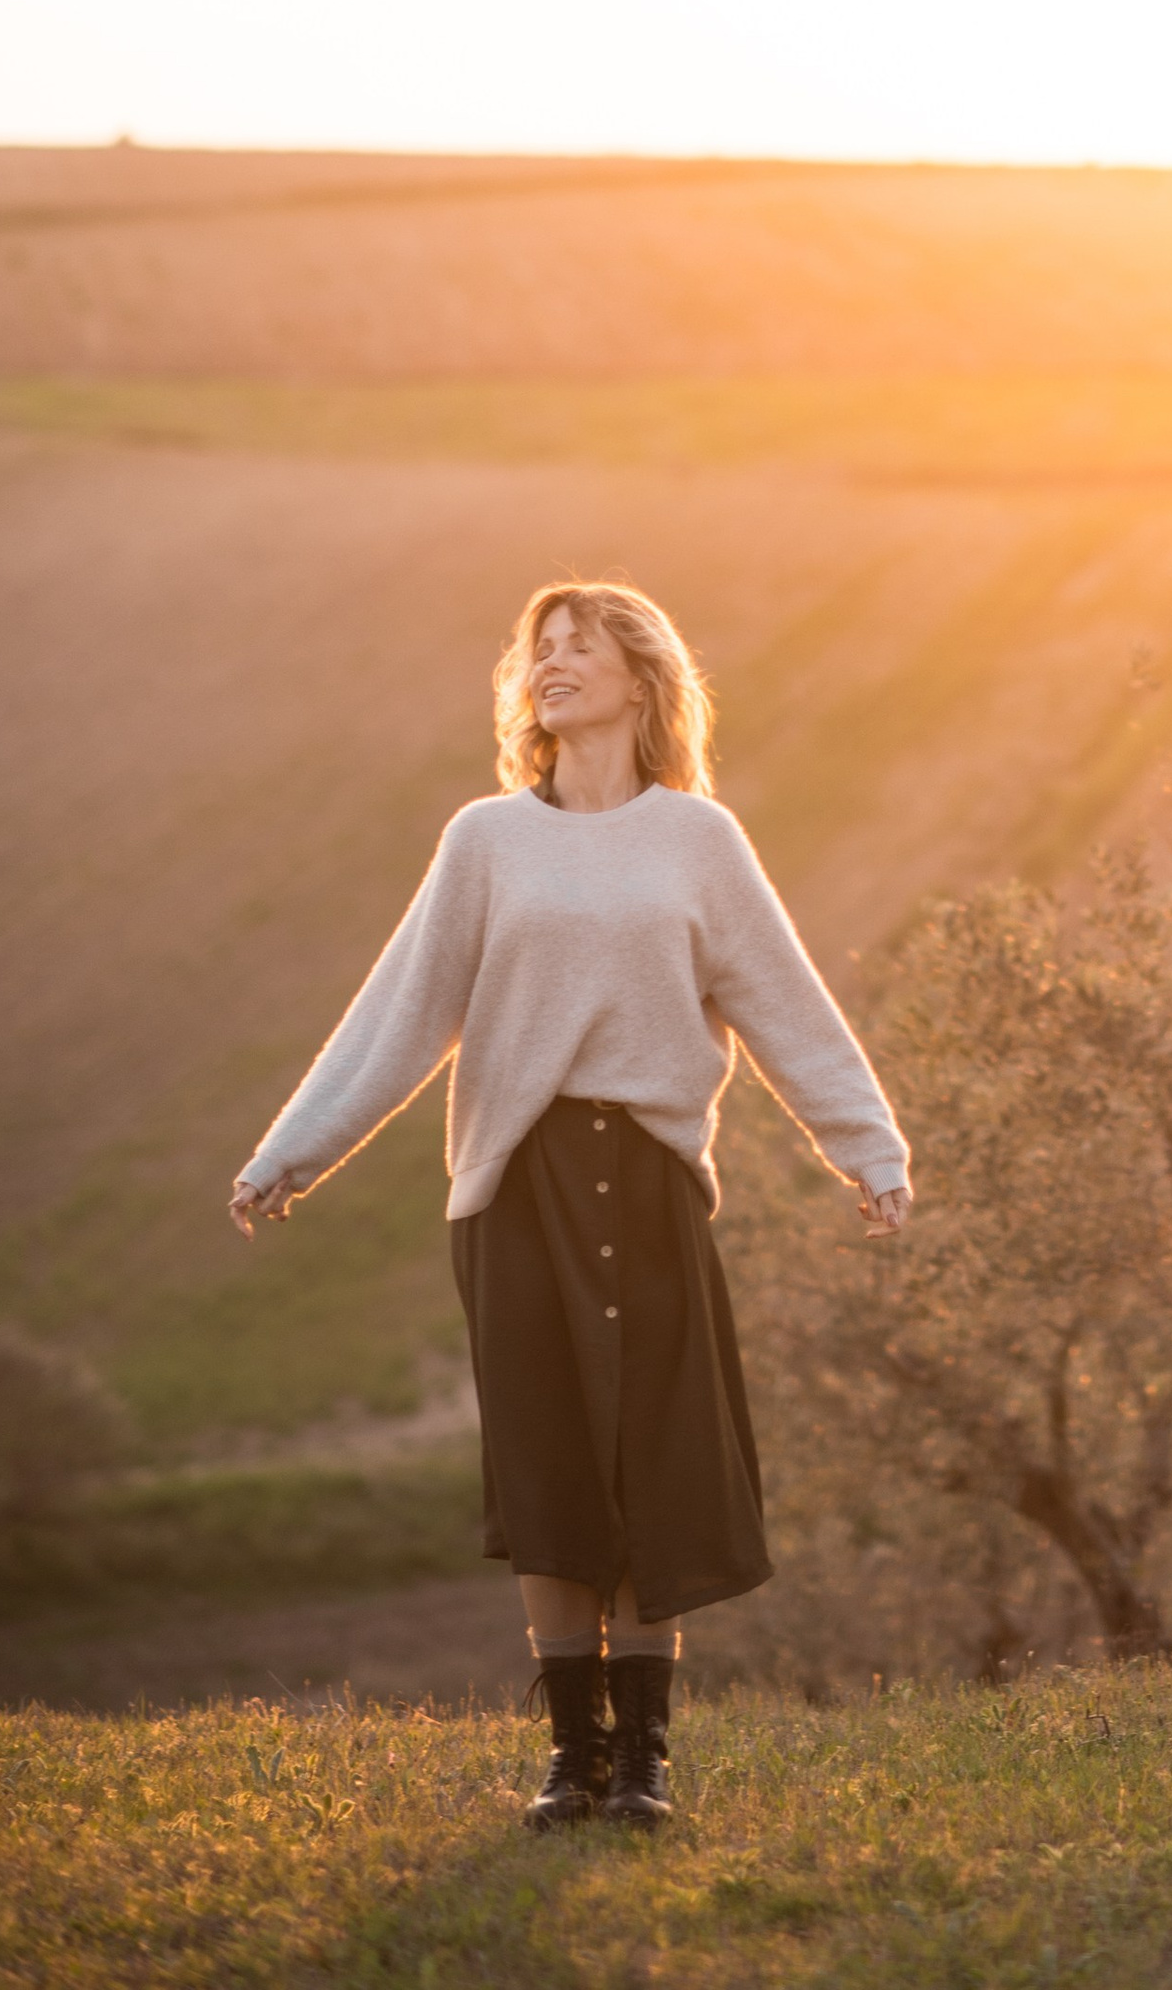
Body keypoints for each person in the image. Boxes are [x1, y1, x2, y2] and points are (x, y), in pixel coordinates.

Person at [230, 576, 909, 1829]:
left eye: (578, 647)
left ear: (641, 680)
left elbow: (782, 1003)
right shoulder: (485, 839)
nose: (549, 664)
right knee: (548, 1464)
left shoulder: (700, 838)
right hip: (517, 1183)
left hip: (650, 1181)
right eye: (537, 649)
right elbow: (403, 1013)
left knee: (653, 1458)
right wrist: (293, 1151)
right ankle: (569, 1760)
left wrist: (867, 1148)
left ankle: (642, 1763)